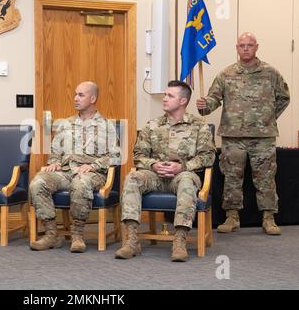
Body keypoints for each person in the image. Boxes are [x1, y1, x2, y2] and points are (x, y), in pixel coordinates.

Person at [197, 32, 290, 235]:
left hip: (262, 137)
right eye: (241, 45)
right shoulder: (226, 74)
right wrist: (204, 106)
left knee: (265, 178)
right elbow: (213, 100)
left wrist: (268, 117)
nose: (245, 48)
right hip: (233, 137)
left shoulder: (270, 73)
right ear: (236, 48)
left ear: (257, 47)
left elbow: (284, 97)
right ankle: (232, 217)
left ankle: (268, 218)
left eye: (249, 45)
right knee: (231, 177)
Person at [115, 80, 215, 262]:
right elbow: (138, 155)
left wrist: (182, 166)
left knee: (186, 181)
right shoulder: (152, 125)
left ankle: (179, 241)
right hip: (155, 176)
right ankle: (131, 240)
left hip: (184, 175)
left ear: (183, 101)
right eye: (165, 95)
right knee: (132, 177)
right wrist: (153, 165)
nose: (165, 99)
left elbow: (208, 157)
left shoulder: (199, 126)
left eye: (170, 95)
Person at [30, 81, 120, 253]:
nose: (75, 98)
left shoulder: (106, 126)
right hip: (65, 171)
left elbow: (116, 156)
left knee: (80, 184)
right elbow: (56, 150)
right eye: (75, 94)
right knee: (38, 182)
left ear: (93, 98)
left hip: (92, 174)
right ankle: (51, 235)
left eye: (81, 95)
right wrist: (55, 162)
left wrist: (94, 165)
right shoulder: (66, 124)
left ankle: (77, 235)